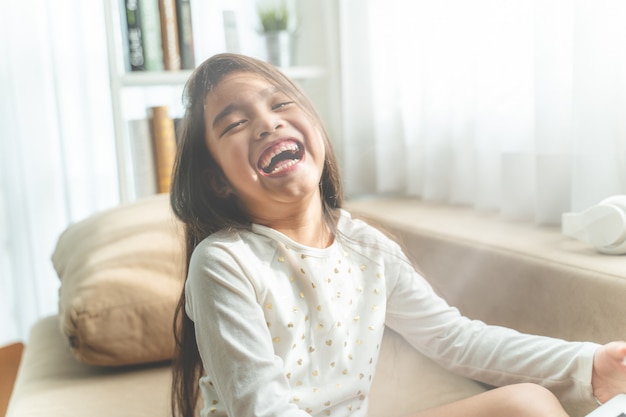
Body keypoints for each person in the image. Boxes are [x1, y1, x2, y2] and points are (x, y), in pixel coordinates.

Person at [168, 52, 626, 417]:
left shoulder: (366, 247)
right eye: (235, 123)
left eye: (281, 103)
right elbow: (261, 408)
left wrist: (588, 365)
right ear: (217, 181)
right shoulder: (222, 262)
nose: (267, 123)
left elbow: (456, 338)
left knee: (528, 404)